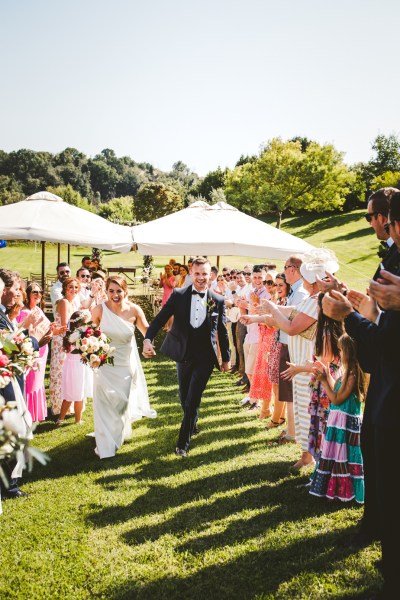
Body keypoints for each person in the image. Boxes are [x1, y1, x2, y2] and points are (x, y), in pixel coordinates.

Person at [143, 257, 230, 457]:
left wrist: (225, 358)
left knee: (192, 399)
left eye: (205, 274)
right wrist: (148, 338)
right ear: (191, 274)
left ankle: (182, 443)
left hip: (206, 357)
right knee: (184, 396)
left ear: (211, 275)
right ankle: (192, 422)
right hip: (183, 354)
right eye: (197, 273)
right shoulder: (179, 295)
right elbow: (160, 319)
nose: (201, 278)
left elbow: (223, 332)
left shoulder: (217, 300)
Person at [91, 276, 155, 459]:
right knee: (103, 405)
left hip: (125, 366)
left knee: (120, 404)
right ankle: (104, 446)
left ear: (125, 291)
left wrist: (147, 344)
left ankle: (116, 436)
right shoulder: (99, 309)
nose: (115, 295)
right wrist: (90, 352)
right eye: (111, 291)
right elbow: (88, 334)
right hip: (103, 365)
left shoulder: (134, 310)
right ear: (106, 291)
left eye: (119, 291)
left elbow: (147, 332)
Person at [309, 334, 365, 504]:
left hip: (345, 423)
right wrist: (327, 375)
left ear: (349, 352)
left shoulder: (353, 376)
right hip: (337, 421)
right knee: (334, 454)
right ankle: (330, 487)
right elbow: (336, 389)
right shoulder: (344, 371)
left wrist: (324, 382)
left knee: (345, 456)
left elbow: (337, 399)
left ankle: (345, 489)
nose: (339, 353)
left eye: (341, 350)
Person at [17, 283, 54, 422]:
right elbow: (26, 334)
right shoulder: (25, 312)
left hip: (42, 352)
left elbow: (43, 328)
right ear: (27, 294)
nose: (39, 294)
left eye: (40, 292)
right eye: (35, 292)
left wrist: (51, 331)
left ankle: (35, 415)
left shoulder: (38, 309)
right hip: (32, 351)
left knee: (37, 383)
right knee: (30, 383)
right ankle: (28, 416)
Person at [49, 277, 81, 417]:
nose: (73, 290)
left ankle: (70, 405)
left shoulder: (73, 303)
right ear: (65, 289)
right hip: (62, 341)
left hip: (69, 340)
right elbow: (65, 326)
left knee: (68, 373)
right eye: (70, 287)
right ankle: (59, 406)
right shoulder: (64, 302)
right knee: (60, 372)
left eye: (76, 287)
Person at [57, 310, 93, 425]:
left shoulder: (69, 334)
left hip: (69, 364)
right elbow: (83, 349)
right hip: (78, 365)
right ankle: (78, 420)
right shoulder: (80, 335)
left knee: (68, 394)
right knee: (79, 394)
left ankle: (60, 419)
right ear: (81, 323)